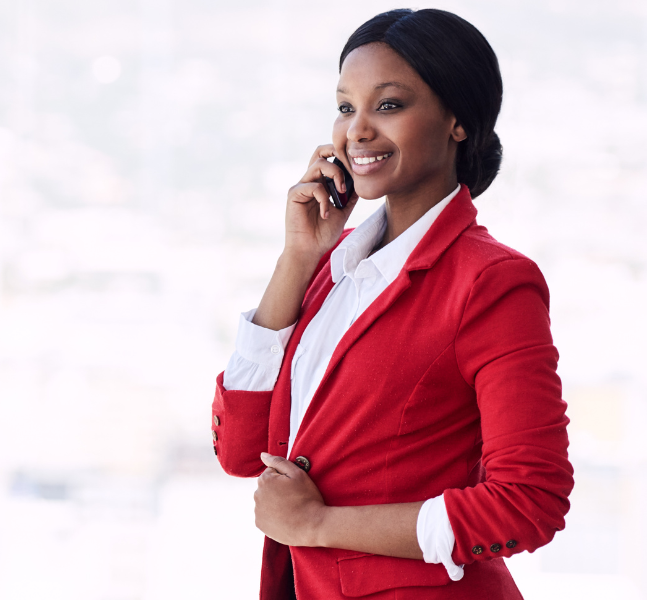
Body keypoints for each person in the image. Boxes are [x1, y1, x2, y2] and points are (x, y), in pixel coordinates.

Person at [210, 9, 573, 599]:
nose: (356, 131)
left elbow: (530, 502)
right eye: (346, 107)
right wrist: (297, 260)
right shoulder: (336, 269)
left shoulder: (493, 281)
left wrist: (318, 524)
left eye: (388, 105)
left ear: (457, 120)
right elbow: (242, 452)